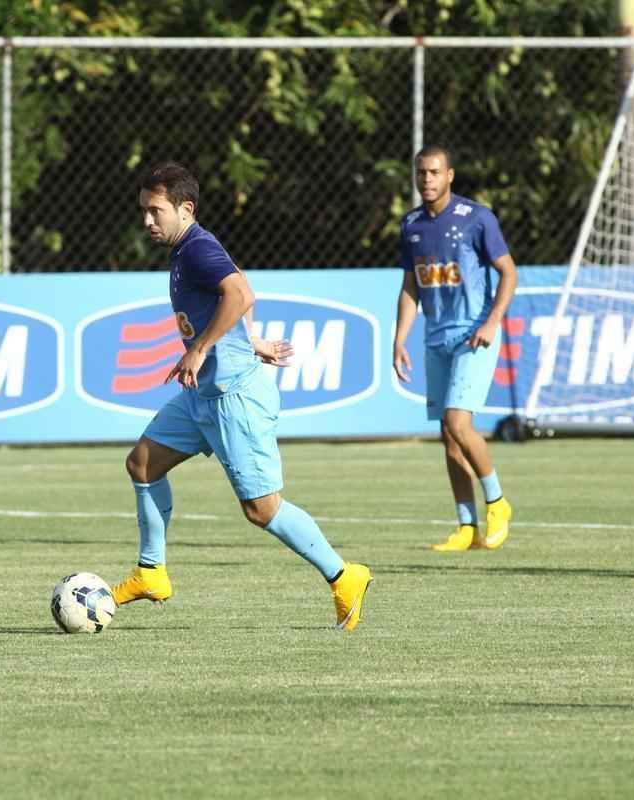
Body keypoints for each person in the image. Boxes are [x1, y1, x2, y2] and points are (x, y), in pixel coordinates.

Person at [110, 162, 372, 630]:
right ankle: (152, 572)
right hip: (204, 394)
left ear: (185, 209)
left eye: (155, 211)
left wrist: (202, 348)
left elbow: (239, 291)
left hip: (234, 399)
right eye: (143, 212)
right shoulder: (186, 250)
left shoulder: (196, 248)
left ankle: (344, 575)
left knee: (261, 510)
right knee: (142, 464)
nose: (147, 221)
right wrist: (248, 342)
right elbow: (230, 287)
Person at [393, 145, 518, 551]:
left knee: (459, 423)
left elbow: (508, 272)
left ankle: (497, 502)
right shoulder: (411, 225)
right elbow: (411, 285)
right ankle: (467, 526)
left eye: (434, 172)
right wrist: (400, 337)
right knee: (449, 435)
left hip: (473, 335)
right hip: (436, 337)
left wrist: (492, 321)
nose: (426, 179)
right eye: (420, 173)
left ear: (449, 176)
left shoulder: (477, 219)